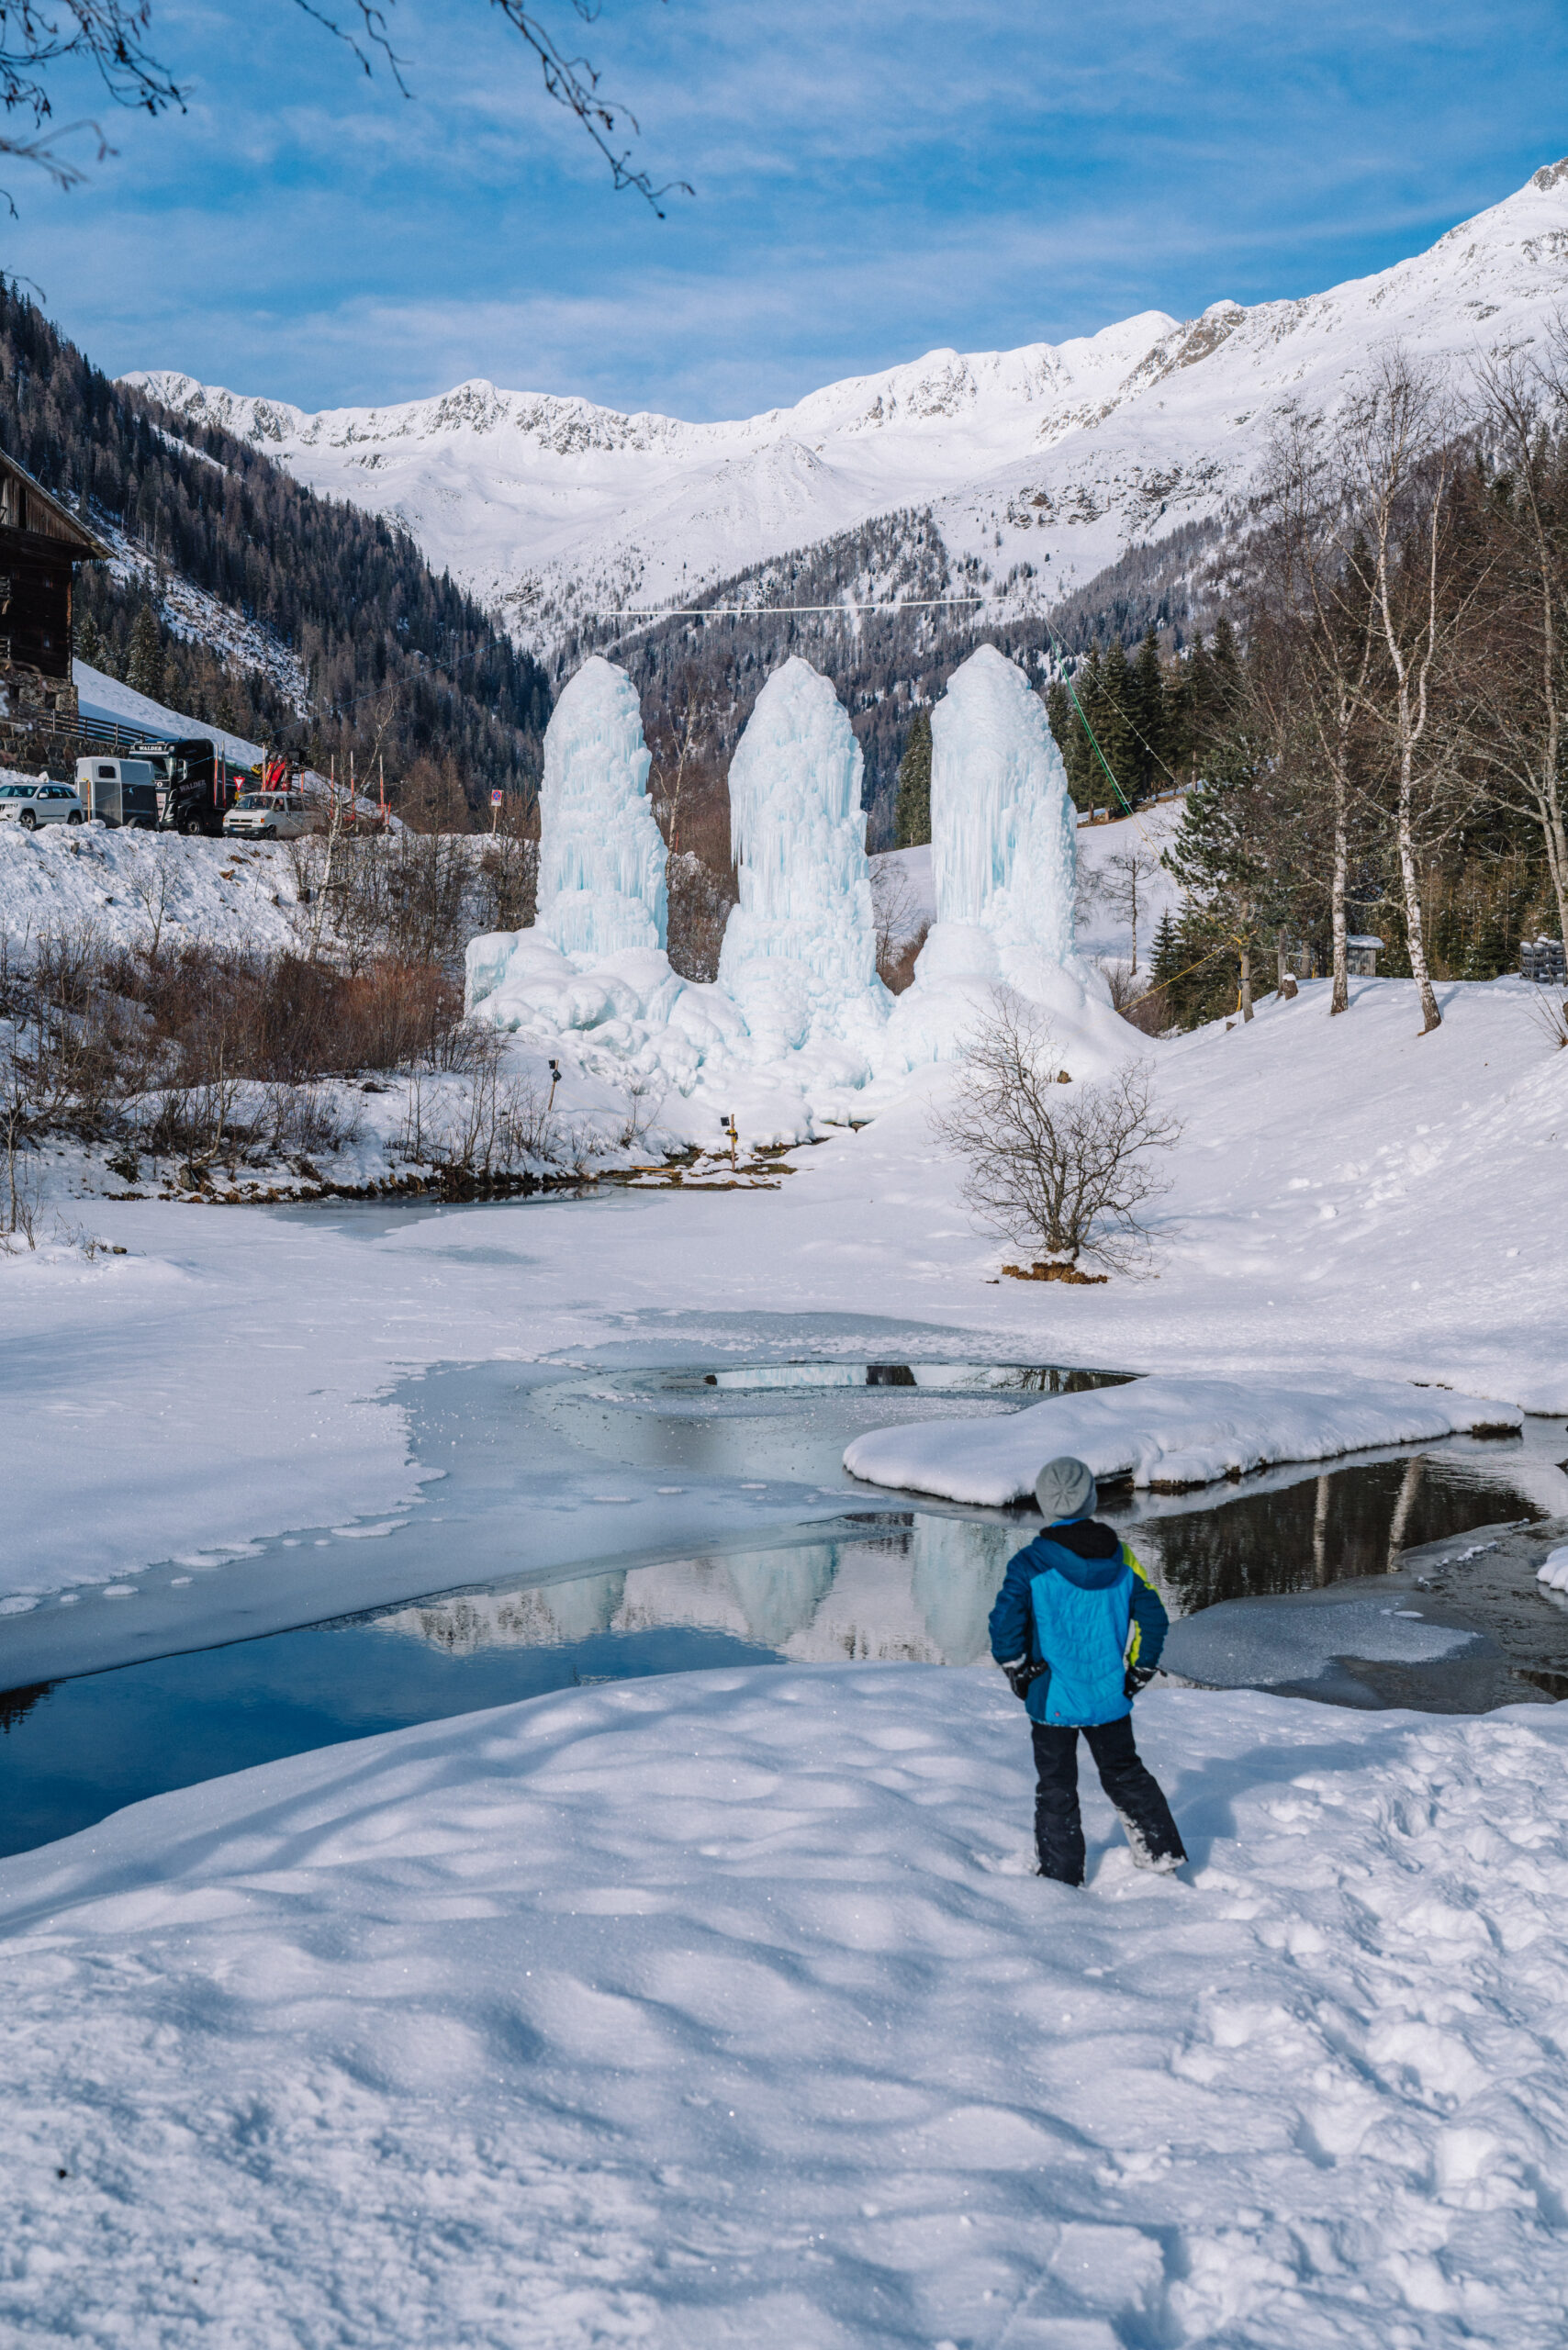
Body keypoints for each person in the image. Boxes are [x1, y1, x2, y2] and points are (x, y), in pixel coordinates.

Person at [989, 1453, 1186, 1885]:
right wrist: (1138, 1671)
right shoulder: (1122, 1560)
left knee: (1056, 1788)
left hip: (1051, 1696)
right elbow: (1154, 1619)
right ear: (1092, 1501)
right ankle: (1160, 1853)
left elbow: (1004, 1627)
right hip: (1108, 1696)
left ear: (1045, 1504)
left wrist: (1017, 1671)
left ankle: (1061, 1877)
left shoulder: (1029, 1564)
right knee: (1125, 1772)